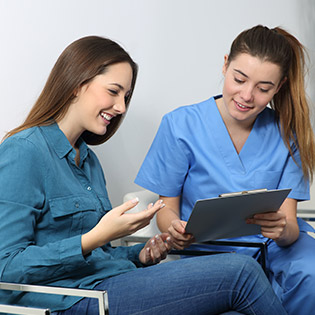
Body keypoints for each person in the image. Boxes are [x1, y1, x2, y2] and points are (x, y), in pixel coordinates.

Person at [0, 36, 286, 315]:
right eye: (113, 92)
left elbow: (99, 257)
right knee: (241, 272)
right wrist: (94, 237)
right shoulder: (24, 151)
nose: (121, 107)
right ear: (76, 84)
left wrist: (140, 255)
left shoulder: (88, 161)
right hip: (71, 299)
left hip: (108, 282)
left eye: (125, 97)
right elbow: (6, 266)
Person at [135, 25, 315, 315]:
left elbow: (291, 226)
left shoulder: (288, 133)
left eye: (263, 88)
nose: (246, 95)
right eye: (239, 79)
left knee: (312, 276)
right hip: (210, 255)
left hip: (276, 250)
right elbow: (165, 210)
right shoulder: (180, 126)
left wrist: (281, 230)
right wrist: (174, 228)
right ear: (225, 65)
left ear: (278, 87)